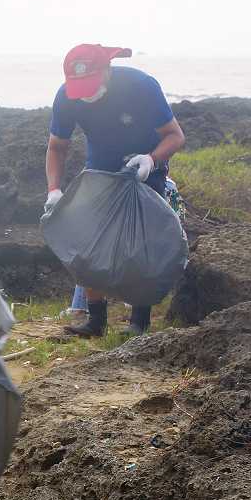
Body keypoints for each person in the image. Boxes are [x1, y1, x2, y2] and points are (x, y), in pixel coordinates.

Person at [44, 44, 185, 337]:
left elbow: (175, 135)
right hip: (99, 171)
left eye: (91, 85)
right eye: (79, 88)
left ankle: (139, 320)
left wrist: (151, 159)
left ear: (107, 69)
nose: (86, 93)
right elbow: (57, 146)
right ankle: (95, 321)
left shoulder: (141, 86)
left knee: (142, 246)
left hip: (144, 170)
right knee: (88, 244)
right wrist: (54, 190)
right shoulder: (67, 96)